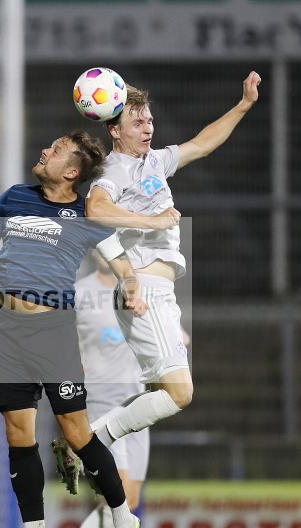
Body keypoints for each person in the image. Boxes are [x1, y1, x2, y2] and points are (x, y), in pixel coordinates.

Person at [0, 131, 171, 528]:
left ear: (70, 172)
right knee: (18, 434)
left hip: (54, 331)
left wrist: (130, 282)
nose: (44, 151)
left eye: (55, 150)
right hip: (7, 330)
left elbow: (119, 258)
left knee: (77, 433)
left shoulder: (84, 214)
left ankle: (124, 520)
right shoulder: (13, 198)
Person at [71, 71, 261, 456]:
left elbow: (202, 144)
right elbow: (95, 207)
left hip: (162, 292)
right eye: (137, 122)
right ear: (114, 130)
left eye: (150, 120)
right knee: (180, 392)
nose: (147, 128)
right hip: (141, 286)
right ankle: (88, 444)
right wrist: (151, 221)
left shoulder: (155, 162)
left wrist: (243, 106)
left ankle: (89, 448)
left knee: (165, 393)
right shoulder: (112, 170)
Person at [41, 252, 191, 528]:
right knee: (117, 495)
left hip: (139, 407)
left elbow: (177, 337)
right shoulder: (79, 293)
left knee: (127, 499)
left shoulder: (141, 290)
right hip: (99, 405)